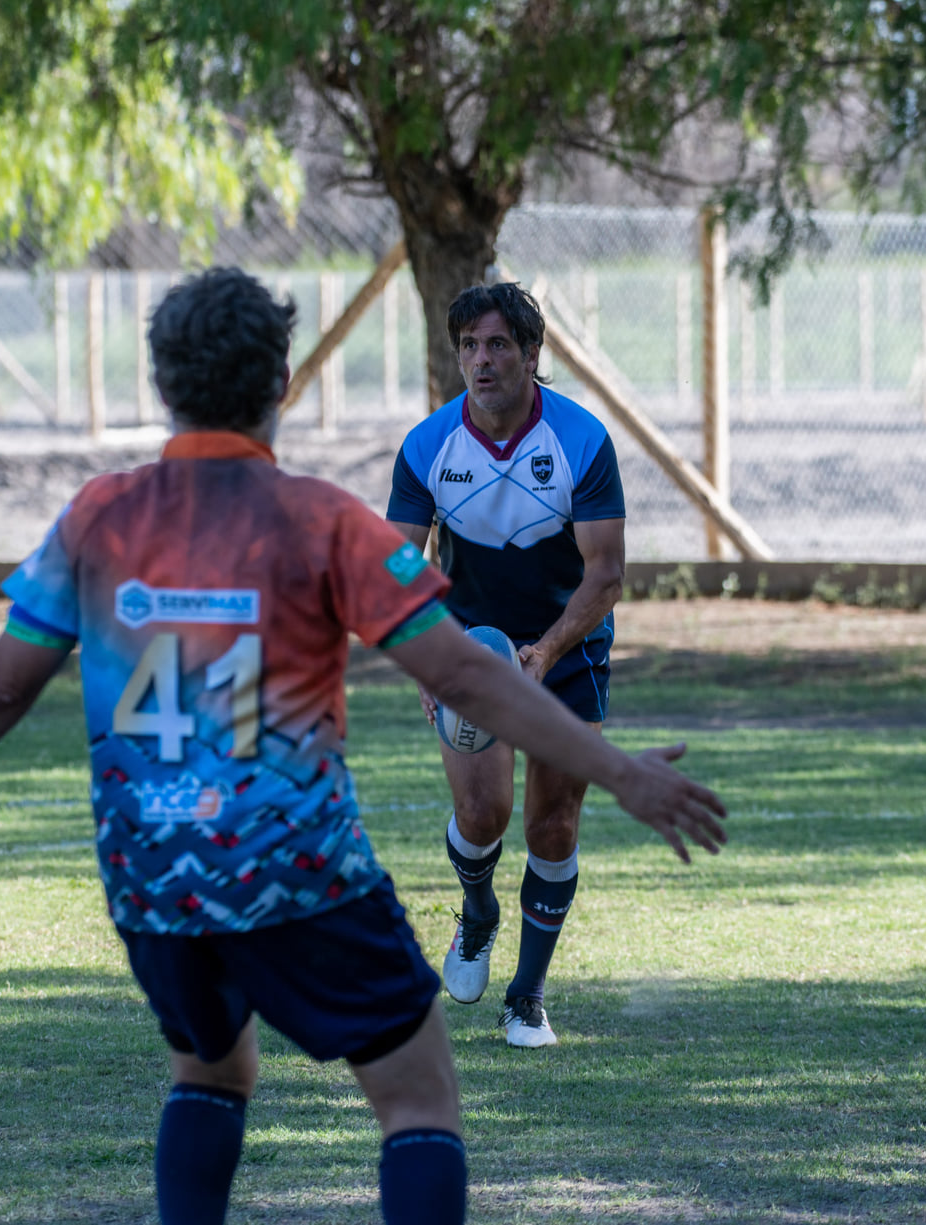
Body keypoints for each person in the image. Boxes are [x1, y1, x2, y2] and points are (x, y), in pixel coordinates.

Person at [0, 267, 726, 1225]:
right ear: (282, 384)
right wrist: (621, 771)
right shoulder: (322, 520)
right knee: (419, 1094)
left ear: (162, 384)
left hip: (153, 875)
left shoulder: (97, 515)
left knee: (211, 1069)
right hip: (296, 873)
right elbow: (465, 674)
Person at [386, 281, 625, 1049]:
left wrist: (547, 651)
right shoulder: (427, 446)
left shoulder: (581, 441)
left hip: (567, 645)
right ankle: (478, 909)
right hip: (469, 650)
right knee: (481, 816)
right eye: (467, 346)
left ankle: (526, 995)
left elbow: (605, 574)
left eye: (496, 345)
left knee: (552, 824)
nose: (480, 361)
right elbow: (397, 571)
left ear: (530, 354)